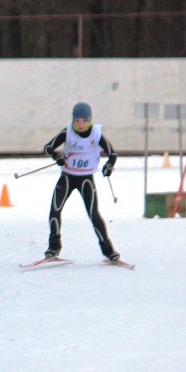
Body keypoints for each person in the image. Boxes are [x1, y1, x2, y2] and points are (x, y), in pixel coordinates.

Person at [40, 102, 119, 262]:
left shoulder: (96, 134)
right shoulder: (67, 132)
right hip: (68, 177)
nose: (80, 124)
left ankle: (108, 250)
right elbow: (48, 147)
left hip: (86, 180)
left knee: (93, 214)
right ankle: (53, 247)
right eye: (77, 121)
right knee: (55, 210)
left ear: (89, 120)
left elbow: (113, 154)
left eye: (84, 121)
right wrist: (57, 156)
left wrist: (109, 166)